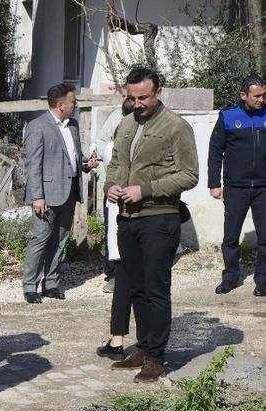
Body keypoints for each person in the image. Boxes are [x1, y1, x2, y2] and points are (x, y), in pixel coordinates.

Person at [105, 67, 199, 382]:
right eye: (132, 98)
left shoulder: (176, 127)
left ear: (158, 92)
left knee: (157, 291)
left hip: (160, 218)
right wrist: (112, 187)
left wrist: (144, 190)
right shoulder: (125, 124)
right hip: (127, 219)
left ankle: (157, 358)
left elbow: (189, 175)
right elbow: (116, 164)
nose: (137, 103)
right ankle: (143, 348)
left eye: (143, 97)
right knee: (135, 288)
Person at [21, 83, 100, 304]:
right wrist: (37, 196)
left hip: (69, 191)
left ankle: (51, 284)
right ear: (60, 104)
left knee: (60, 239)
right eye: (73, 101)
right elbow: (33, 165)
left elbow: (73, 156)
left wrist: (86, 163)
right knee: (41, 239)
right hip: (46, 195)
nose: (76, 105)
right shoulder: (38, 126)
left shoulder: (72, 125)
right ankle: (30, 286)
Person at [208, 74, 266, 296]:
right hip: (236, 188)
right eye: (257, 96)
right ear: (244, 95)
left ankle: (262, 280)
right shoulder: (228, 116)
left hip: (263, 188)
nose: (261, 99)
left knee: (265, 237)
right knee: (231, 237)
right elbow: (215, 151)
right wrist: (214, 183)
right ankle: (231, 277)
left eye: (264, 95)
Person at [96, 98, 136, 361]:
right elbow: (110, 169)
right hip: (121, 215)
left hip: (149, 217)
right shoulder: (118, 136)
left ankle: (148, 347)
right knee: (124, 281)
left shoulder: (166, 130)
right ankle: (118, 340)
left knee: (146, 286)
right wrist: (109, 186)